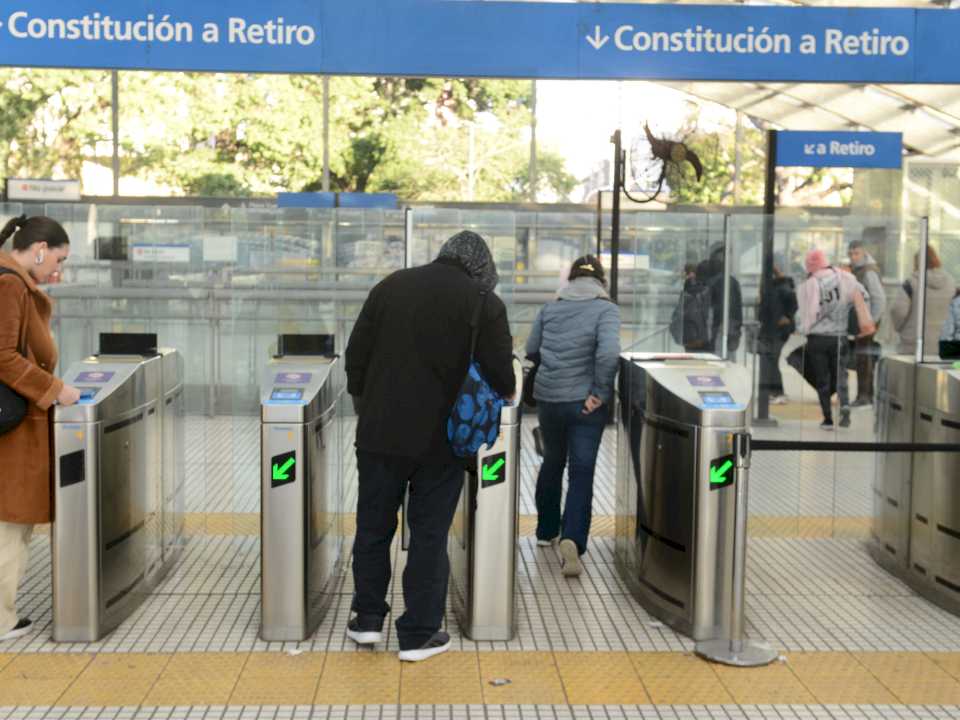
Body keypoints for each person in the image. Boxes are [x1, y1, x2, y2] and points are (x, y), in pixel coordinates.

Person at [344, 230, 515, 662]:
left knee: (373, 526)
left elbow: (355, 357)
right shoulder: (484, 302)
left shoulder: (390, 286)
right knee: (428, 535)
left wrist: (370, 405)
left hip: (380, 433)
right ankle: (418, 634)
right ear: (481, 265)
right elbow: (501, 376)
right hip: (442, 440)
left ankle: (366, 620)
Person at [0, 215, 80, 642]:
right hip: (11, 424)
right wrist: (54, 389)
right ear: (39, 248)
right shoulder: (10, 285)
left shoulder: (13, 281)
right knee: (10, 521)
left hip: (15, 420)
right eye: (58, 259)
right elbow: (3, 356)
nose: (58, 272)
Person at [525, 255, 620, 577]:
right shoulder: (606, 309)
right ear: (601, 281)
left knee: (552, 461)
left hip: (550, 398)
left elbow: (532, 347)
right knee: (581, 471)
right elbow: (608, 353)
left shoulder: (551, 307)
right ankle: (573, 540)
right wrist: (600, 392)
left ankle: (545, 531)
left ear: (572, 279)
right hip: (584, 403)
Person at [795, 248, 874, 429]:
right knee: (840, 374)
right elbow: (865, 296)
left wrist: (801, 329)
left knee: (822, 378)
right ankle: (844, 405)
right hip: (839, 336)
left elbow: (802, 315)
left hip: (817, 339)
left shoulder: (809, 284)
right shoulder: (845, 278)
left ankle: (828, 418)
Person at [890, 246, 957, 357]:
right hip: (943, 345)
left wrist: (900, 328)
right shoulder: (951, 283)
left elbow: (898, 310)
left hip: (913, 345)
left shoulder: (911, 283)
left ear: (917, 262)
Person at [847, 239, 886, 406]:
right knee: (862, 359)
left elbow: (879, 298)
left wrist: (872, 322)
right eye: (851, 254)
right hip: (862, 322)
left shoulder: (868, 271)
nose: (853, 257)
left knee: (864, 359)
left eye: (856, 253)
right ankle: (863, 395)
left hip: (867, 324)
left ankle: (865, 396)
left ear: (864, 253)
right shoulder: (859, 270)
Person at [757, 253, 797, 405]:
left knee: (772, 359)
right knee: (769, 359)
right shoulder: (770, 285)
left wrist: (787, 316)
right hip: (770, 328)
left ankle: (777, 391)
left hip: (779, 329)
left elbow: (793, 302)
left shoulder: (782, 285)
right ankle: (771, 391)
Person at [699, 245, 743, 360]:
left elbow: (709, 309)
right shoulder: (732, 281)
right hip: (731, 326)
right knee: (729, 359)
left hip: (720, 326)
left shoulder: (713, 282)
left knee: (718, 359)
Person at [669, 263, 712, 352]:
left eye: (686, 273)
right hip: (703, 336)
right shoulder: (706, 289)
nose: (684, 276)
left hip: (690, 336)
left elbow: (679, 313)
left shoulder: (688, 291)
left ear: (692, 274)